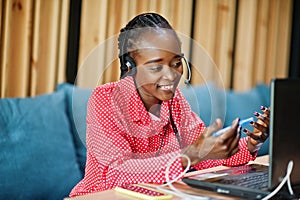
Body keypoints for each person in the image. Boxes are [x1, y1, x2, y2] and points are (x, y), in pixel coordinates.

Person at [69, 13, 270, 197]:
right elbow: (116, 175)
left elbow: (206, 158)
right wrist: (190, 155)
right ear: (130, 67)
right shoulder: (105, 100)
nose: (171, 75)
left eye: (176, 63)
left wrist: (252, 143)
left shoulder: (175, 102)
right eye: (157, 66)